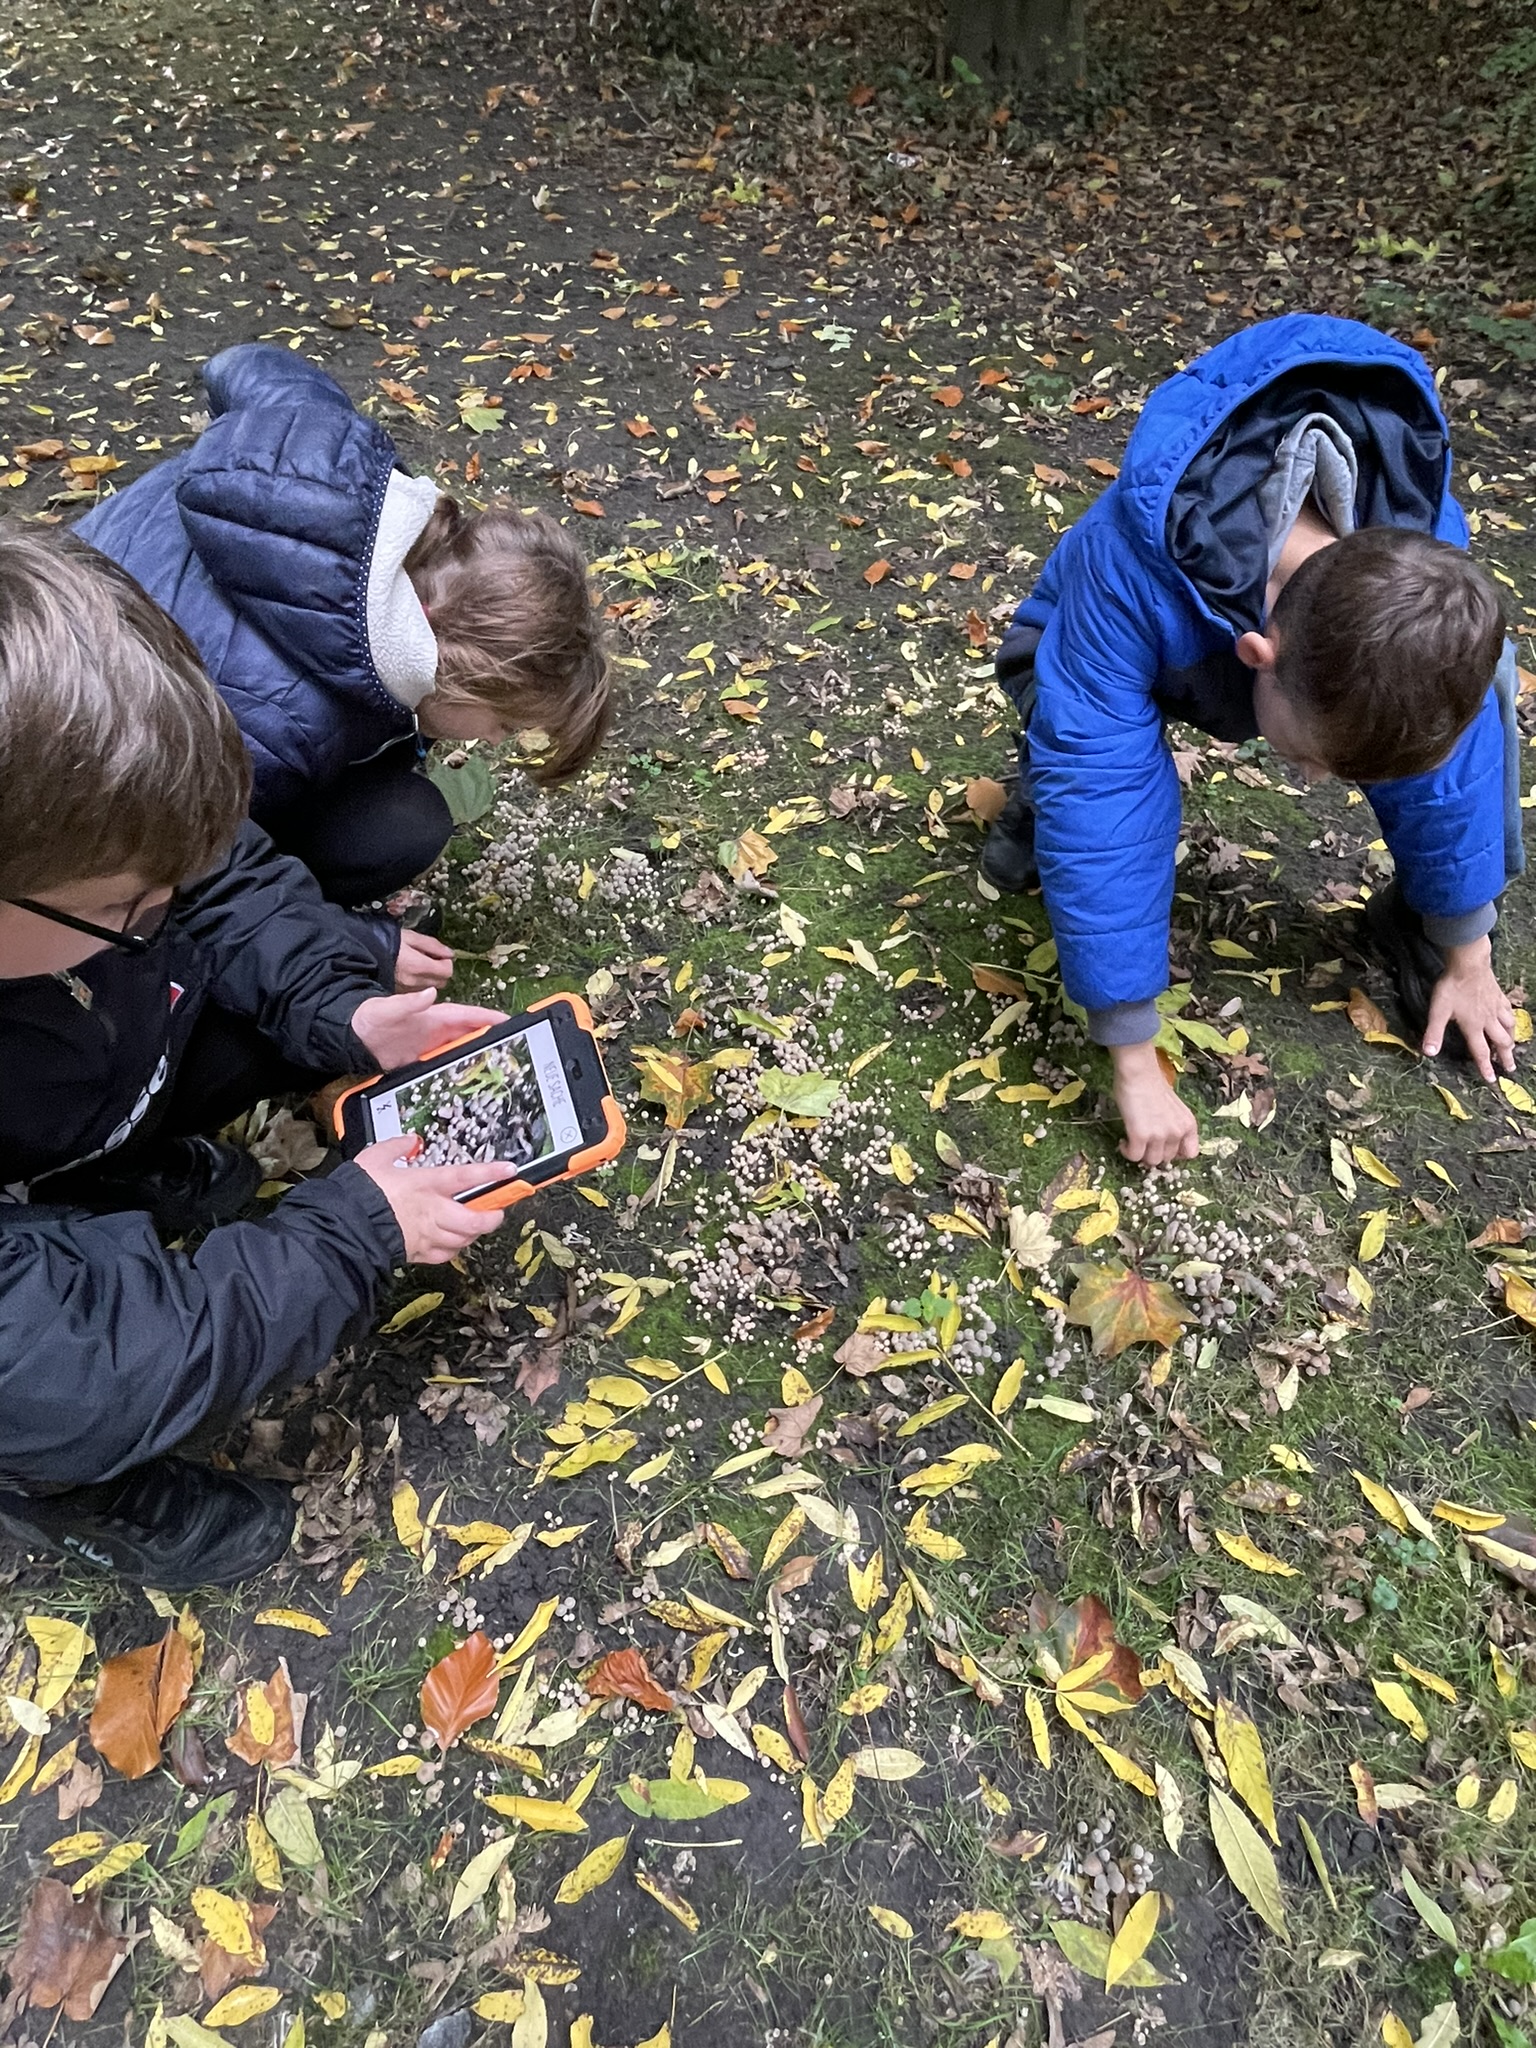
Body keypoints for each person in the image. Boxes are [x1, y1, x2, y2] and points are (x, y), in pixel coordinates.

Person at [0, 525, 523, 1590]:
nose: (159, 905)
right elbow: (71, 1358)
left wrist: (343, 1010)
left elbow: (222, 881)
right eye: (122, 904)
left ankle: (101, 1177)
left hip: (57, 1076)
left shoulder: (78, 815)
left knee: (209, 998)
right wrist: (352, 1226)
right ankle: (65, 1495)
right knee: (62, 1405)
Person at [981, 312, 1519, 1168]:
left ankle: (1419, 923)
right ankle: (1027, 803)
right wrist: (1131, 1051)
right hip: (1105, 638)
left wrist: (1468, 949)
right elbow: (1104, 779)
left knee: (1484, 691)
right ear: (1256, 658)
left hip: (1252, 645)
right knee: (1067, 733)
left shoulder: (1417, 562)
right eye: (1309, 760)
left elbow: (1454, 770)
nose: (1308, 781)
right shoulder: (1127, 568)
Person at [76, 343, 611, 988]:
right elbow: (182, 867)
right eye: (501, 718)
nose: (494, 740)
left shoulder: (351, 485)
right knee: (392, 831)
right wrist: (353, 943)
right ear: (453, 651)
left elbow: (243, 367)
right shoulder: (276, 717)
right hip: (84, 800)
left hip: (60, 614)